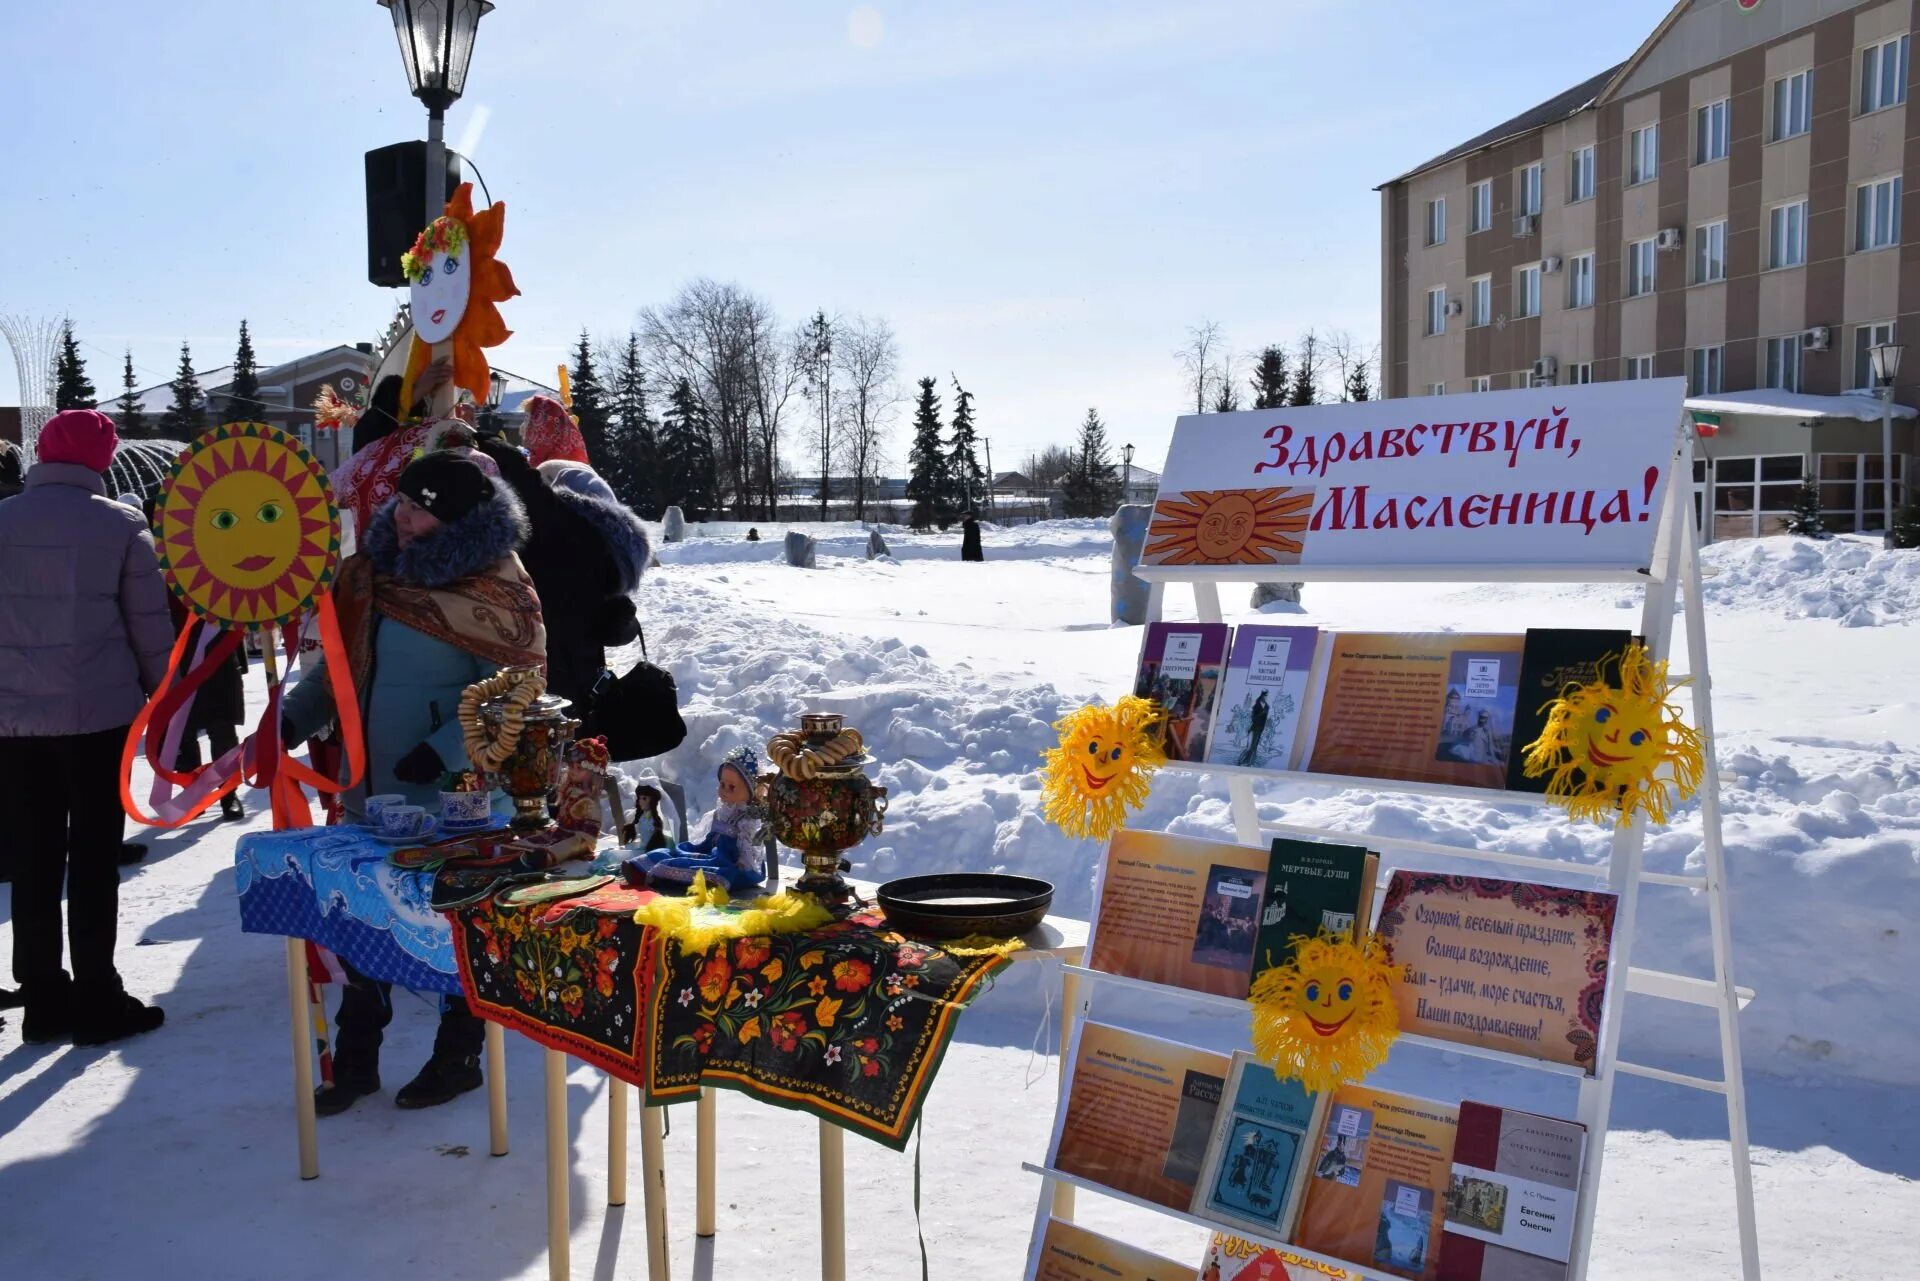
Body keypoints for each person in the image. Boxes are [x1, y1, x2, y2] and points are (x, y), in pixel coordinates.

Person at [281, 453, 546, 1113]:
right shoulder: (373, 575)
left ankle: (457, 1057)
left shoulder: (496, 586)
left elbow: (519, 685)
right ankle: (355, 1062)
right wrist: (290, 716)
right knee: (363, 919)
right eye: (400, 502)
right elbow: (338, 672)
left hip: (460, 796)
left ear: (453, 518)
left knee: (455, 928)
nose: (400, 516)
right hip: (373, 790)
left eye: (418, 508)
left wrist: (447, 746)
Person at [0, 410, 173, 1045]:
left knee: (34, 856)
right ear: (102, 460)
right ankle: (98, 995)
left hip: (13, 722)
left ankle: (43, 998)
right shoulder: (122, 525)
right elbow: (149, 626)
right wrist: (165, 697)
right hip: (99, 718)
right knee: (95, 857)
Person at [476, 396, 650, 722]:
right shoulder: (609, 546)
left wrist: (495, 449)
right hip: (583, 679)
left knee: (557, 755)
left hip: (550, 682)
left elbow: (538, 502)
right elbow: (615, 629)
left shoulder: (566, 535)